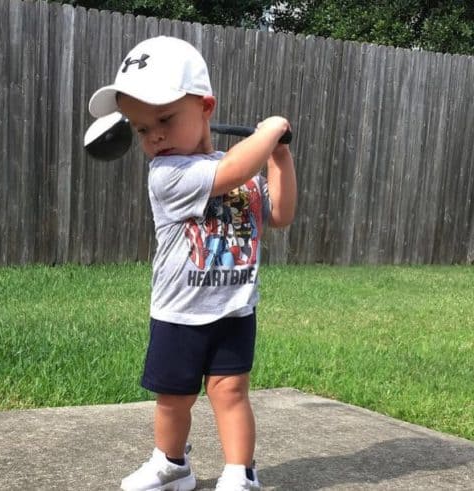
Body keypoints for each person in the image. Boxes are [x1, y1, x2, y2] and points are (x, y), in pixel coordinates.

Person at [88, 36, 297, 491]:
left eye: (164, 119)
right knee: (173, 399)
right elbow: (231, 173)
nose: (154, 135)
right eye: (142, 129)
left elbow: (279, 215)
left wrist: (280, 155)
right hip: (178, 314)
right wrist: (267, 135)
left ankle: (241, 473)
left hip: (234, 309)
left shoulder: (242, 166)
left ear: (206, 107)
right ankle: (172, 464)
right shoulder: (169, 175)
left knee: (231, 392)